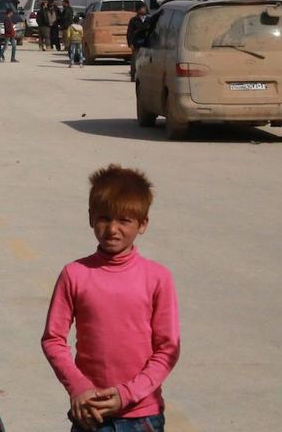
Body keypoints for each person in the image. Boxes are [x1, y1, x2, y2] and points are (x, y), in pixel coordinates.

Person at [41, 165, 179, 432]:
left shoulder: (157, 278)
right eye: (104, 218)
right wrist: (79, 386)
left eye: (124, 220)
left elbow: (168, 348)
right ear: (91, 218)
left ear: (143, 224)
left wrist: (126, 394)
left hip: (142, 417)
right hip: (90, 413)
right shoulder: (74, 274)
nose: (112, 229)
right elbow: (53, 339)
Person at [125, 6, 149, 81]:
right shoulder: (134, 20)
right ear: (138, 10)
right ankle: (133, 75)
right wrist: (130, 43)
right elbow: (130, 33)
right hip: (136, 43)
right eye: (142, 8)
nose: (143, 10)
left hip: (147, 43)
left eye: (144, 8)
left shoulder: (149, 20)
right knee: (135, 60)